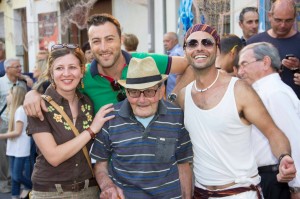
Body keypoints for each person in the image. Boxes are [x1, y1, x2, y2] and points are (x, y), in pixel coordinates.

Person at [176, 23, 296, 199]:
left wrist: (284, 157)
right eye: (192, 44)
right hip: (201, 193)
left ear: (217, 50)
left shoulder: (239, 90)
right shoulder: (183, 96)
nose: (199, 48)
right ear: (185, 51)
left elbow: (274, 133)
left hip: (240, 193)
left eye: (207, 43)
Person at [23, 13, 189, 120]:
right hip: (106, 166)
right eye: (96, 41)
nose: (103, 48)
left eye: (109, 39)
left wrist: (173, 98)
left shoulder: (144, 61)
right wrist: (32, 94)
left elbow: (189, 65)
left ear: (121, 39)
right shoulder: (82, 75)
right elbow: (53, 91)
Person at [90, 57, 193, 199]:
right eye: (134, 92)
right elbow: (100, 165)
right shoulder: (110, 118)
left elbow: (183, 165)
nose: (142, 100)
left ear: (161, 90)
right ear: (126, 92)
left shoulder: (176, 116)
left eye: (149, 92)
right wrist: (108, 186)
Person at [26, 44, 115, 199]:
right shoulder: (39, 106)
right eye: (59, 68)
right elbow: (54, 157)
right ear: (51, 73)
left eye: (72, 67)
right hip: (50, 193)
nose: (66, 74)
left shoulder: (87, 102)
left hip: (89, 191)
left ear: (82, 71)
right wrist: (91, 130)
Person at [238, 42, 300, 199]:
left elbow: (293, 140)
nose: (240, 72)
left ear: (265, 62)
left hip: (278, 180)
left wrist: (296, 188)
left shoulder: (274, 93)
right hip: (267, 179)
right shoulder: (265, 91)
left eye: (244, 64)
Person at [247, 0, 300, 99]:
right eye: (278, 20)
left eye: (288, 20)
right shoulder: (253, 43)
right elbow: (242, 75)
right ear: (269, 16)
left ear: (294, 18)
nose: (283, 25)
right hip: (261, 108)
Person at [0, 57, 27, 194]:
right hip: (4, 122)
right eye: (16, 67)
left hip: (18, 122)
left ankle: (15, 181)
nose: (20, 69)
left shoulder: (22, 84)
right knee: (3, 155)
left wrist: (27, 80)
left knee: (14, 152)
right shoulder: (0, 83)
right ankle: (4, 182)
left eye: (20, 66)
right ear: (7, 69)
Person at [0, 86, 32, 199]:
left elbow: (18, 132)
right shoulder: (14, 110)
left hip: (20, 148)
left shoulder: (20, 110)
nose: (7, 97)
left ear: (15, 96)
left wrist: (1, 136)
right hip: (14, 147)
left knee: (17, 176)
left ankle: (32, 187)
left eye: (9, 94)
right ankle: (15, 196)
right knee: (14, 177)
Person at [163, 32, 184, 100]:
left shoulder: (176, 53)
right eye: (164, 41)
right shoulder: (174, 52)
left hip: (175, 94)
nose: (165, 44)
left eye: (167, 41)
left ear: (175, 41)